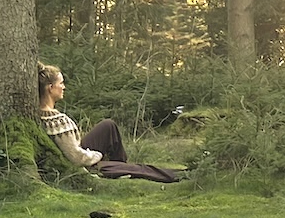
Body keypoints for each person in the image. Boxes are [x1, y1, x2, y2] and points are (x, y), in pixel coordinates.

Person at [38, 62, 182, 183]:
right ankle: (176, 176)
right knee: (139, 169)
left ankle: (119, 166)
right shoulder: (56, 122)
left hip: (79, 151)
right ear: (51, 88)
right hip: (84, 164)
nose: (64, 87)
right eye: (61, 83)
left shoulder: (40, 113)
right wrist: (96, 155)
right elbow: (76, 158)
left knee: (109, 126)